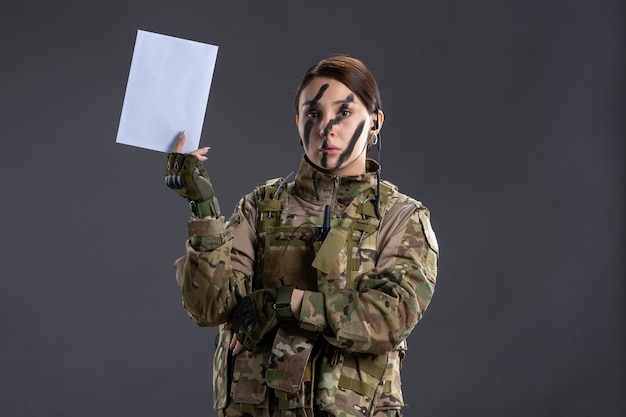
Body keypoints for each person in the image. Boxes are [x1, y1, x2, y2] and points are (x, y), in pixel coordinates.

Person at [165, 55, 439, 417]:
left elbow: (392, 317)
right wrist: (203, 208)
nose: (327, 127)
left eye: (343, 113)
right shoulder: (261, 207)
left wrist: (290, 303)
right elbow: (209, 307)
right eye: (313, 114)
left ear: (374, 122)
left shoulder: (400, 217)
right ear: (298, 122)